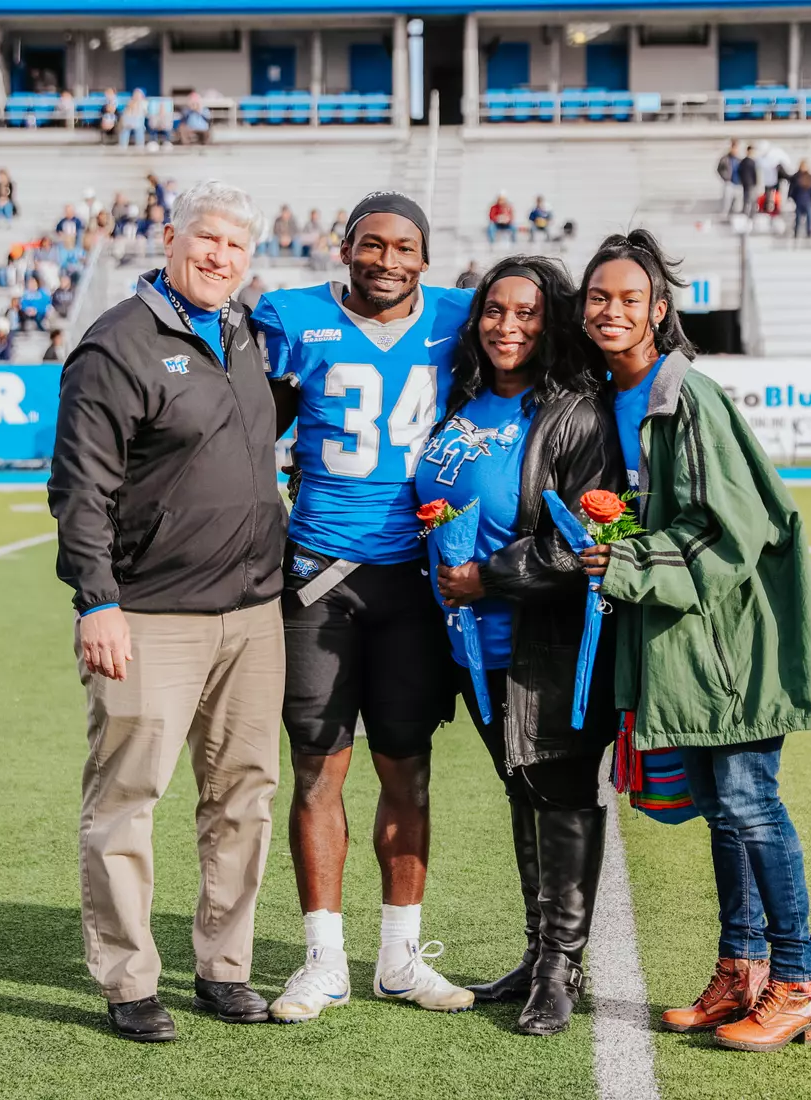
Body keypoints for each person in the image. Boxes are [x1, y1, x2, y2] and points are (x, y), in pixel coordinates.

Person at [575, 229, 811, 1053]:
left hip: (730, 640)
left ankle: (800, 981)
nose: (611, 311)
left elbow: (731, 528)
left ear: (659, 310)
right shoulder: (613, 393)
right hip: (681, 642)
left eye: (628, 298)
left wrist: (622, 558)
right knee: (726, 815)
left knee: (750, 806)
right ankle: (743, 970)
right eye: (597, 298)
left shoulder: (688, 394)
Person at [48, 180, 284, 1043]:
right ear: (171, 237)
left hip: (254, 613)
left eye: (237, 246)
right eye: (207, 240)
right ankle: (126, 978)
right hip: (149, 614)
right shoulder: (118, 344)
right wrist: (97, 599)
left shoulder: (250, 334)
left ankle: (224, 967)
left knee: (244, 797)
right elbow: (79, 489)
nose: (221, 258)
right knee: (128, 798)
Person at [253, 191, 477, 1024]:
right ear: (344, 248)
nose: (387, 261)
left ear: (427, 257)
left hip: (415, 579)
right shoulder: (290, 316)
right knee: (318, 770)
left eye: (404, 248)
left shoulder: (462, 314)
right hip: (319, 576)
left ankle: (399, 956)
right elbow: (245, 422)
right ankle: (323, 961)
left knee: (406, 770)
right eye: (372, 245)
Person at [418, 255, 622, 1035]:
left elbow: (585, 545)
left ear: (553, 322)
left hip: (547, 645)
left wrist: (488, 579)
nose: (509, 326)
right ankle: (539, 950)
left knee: (561, 795)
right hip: (475, 648)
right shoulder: (465, 398)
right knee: (522, 790)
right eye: (495, 311)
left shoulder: (574, 412)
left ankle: (561, 970)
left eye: (529, 313)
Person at [788, 162, 811, 241]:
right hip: (800, 200)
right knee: (799, 218)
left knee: (807, 218)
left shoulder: (809, 177)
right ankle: (797, 232)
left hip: (806, 200)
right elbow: (793, 190)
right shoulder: (797, 177)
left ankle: (808, 232)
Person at [716, 140, 742, 213]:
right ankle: (725, 214)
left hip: (738, 183)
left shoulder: (739, 160)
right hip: (729, 182)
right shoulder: (725, 159)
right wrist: (725, 177)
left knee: (737, 202)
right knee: (726, 201)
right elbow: (719, 169)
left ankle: (735, 214)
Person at [736, 145, 760, 216]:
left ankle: (748, 215)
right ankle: (748, 216)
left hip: (748, 184)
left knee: (749, 201)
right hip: (750, 184)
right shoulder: (748, 162)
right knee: (750, 201)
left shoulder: (745, 162)